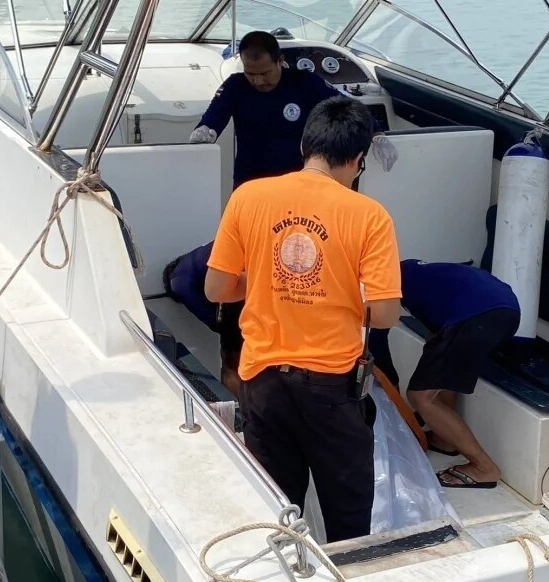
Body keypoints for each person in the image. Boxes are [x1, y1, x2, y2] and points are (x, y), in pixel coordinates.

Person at [204, 96, 402, 542]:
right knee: (348, 523)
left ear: (304, 147)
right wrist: (341, 297)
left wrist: (263, 285)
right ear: (357, 160)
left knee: (278, 512)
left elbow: (216, 288)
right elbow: (386, 314)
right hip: (332, 388)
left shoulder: (248, 197)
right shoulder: (369, 216)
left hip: (262, 382)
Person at [372, 259, 521, 489]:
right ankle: (445, 439)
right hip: (504, 308)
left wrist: (394, 398)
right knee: (438, 359)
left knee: (420, 396)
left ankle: (484, 467)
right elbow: (437, 340)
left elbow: (377, 344)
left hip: (476, 314)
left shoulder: (383, 284)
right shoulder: (411, 271)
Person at [190, 30, 397, 189]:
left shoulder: (303, 82)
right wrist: (204, 131)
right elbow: (212, 119)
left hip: (297, 177)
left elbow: (347, 106)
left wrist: (377, 133)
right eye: (250, 73)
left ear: (280, 61)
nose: (258, 81)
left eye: (264, 73)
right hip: (250, 179)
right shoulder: (235, 86)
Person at [162, 242, 243, 397]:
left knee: (231, 363)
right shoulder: (201, 255)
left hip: (235, 285)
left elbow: (203, 310)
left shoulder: (177, 278)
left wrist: (219, 325)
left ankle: (239, 407)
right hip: (250, 273)